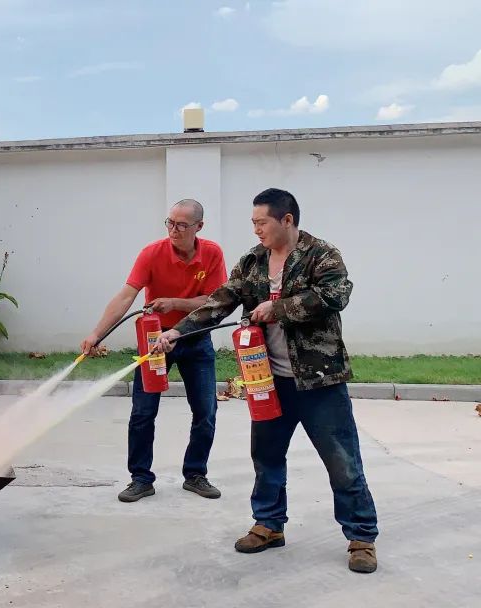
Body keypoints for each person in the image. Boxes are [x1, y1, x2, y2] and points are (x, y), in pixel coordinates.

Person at [155, 187, 379, 574]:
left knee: (342, 461)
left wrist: (277, 308)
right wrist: (179, 331)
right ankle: (269, 525)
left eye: (262, 222)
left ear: (286, 220)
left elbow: (335, 295)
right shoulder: (253, 262)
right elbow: (219, 301)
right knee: (267, 457)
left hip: (318, 381)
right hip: (268, 380)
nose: (256, 230)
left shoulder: (321, 254)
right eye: (254, 223)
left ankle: (361, 537)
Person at [81, 199, 227, 503]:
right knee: (143, 412)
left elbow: (216, 301)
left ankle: (195, 474)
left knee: (206, 412)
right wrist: (97, 333)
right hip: (155, 342)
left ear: (199, 227)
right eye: (170, 223)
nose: (174, 230)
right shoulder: (152, 253)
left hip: (196, 339)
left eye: (182, 225)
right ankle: (140, 478)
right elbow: (125, 297)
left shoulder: (212, 253)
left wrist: (175, 303)